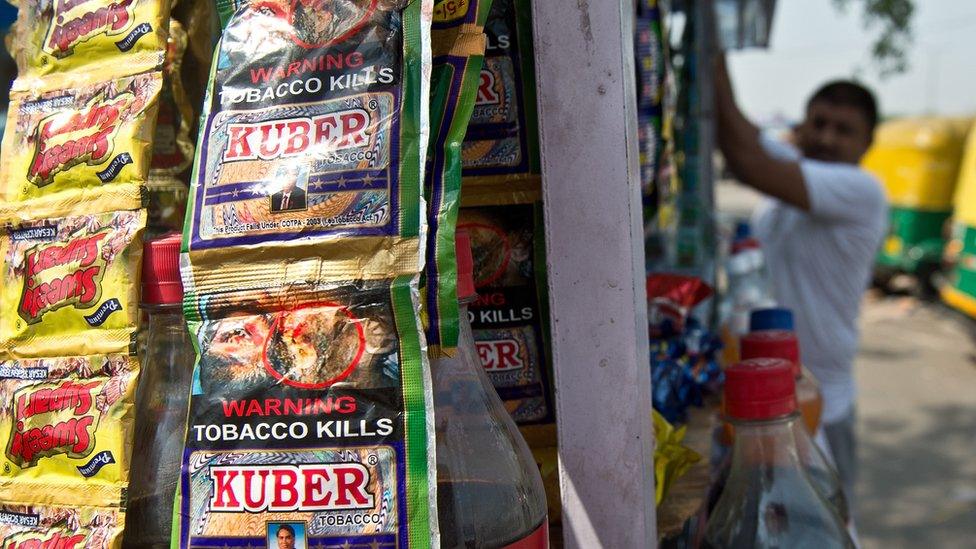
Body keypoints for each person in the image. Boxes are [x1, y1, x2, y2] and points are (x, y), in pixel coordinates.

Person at [713, 54, 889, 514]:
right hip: (763, 403)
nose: (827, 138)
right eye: (819, 123)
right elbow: (749, 136)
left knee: (829, 526)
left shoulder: (861, 191)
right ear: (802, 126)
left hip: (822, 407)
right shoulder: (793, 176)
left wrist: (709, 50)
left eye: (843, 130)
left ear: (868, 142)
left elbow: (745, 157)